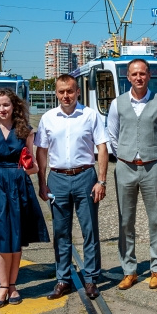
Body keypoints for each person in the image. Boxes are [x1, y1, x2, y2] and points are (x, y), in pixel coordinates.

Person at [35, 75, 109, 300]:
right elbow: (41, 152)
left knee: (89, 230)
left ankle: (91, 278)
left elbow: (102, 147)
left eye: (69, 91)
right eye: (61, 92)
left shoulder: (90, 115)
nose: (65, 96)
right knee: (61, 232)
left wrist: (102, 181)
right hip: (57, 178)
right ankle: (63, 279)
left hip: (85, 176)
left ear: (78, 92)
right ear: (56, 93)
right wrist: (42, 182)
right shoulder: (48, 118)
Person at [0, 89, 49, 308]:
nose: (2, 109)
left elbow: (34, 166)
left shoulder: (25, 131)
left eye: (6, 105)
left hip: (18, 186)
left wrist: (29, 170)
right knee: (0, 237)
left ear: (14, 106)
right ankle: (3, 286)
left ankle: (13, 285)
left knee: (15, 236)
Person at [107, 58, 157, 290]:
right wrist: (123, 155)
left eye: (142, 74)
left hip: (153, 167)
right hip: (125, 167)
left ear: (149, 75)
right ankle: (129, 270)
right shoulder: (117, 104)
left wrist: (155, 155)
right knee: (125, 221)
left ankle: (156, 268)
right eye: (134, 74)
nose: (138, 78)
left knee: (156, 220)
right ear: (128, 77)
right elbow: (111, 134)